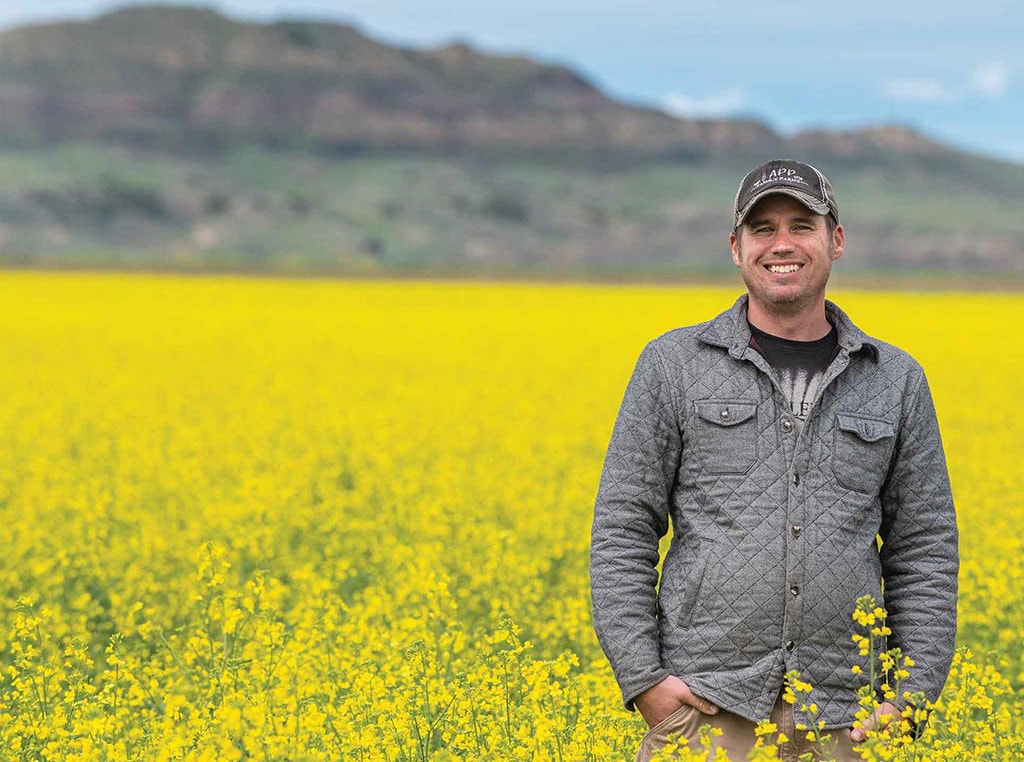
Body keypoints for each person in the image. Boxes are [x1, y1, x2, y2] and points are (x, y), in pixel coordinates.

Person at [589, 159, 959, 761]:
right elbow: (621, 529)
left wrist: (911, 698)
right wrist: (647, 683)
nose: (781, 244)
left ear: (835, 240)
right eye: (762, 229)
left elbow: (926, 547)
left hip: (849, 714)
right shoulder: (673, 365)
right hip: (708, 706)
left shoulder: (896, 380)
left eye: (801, 225)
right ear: (736, 248)